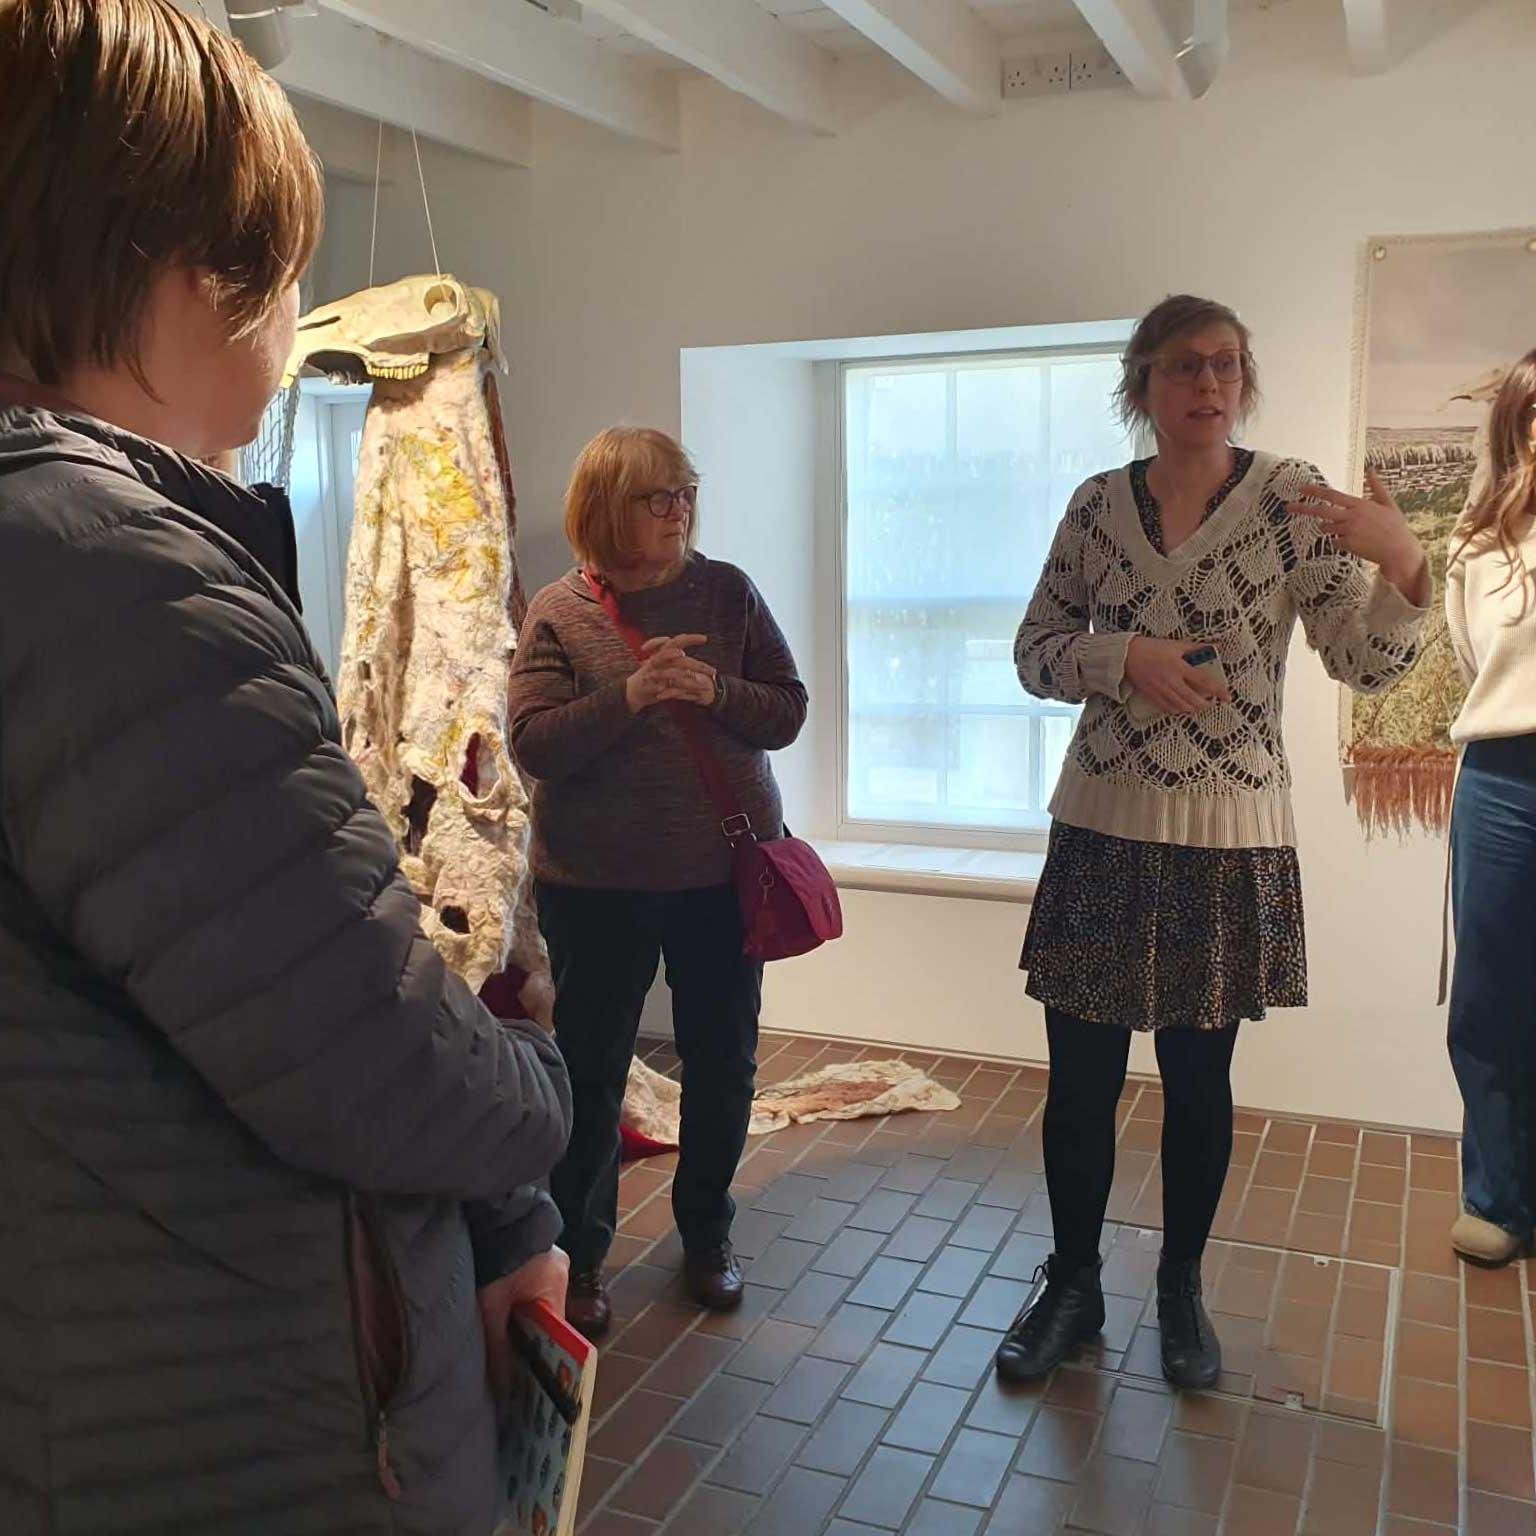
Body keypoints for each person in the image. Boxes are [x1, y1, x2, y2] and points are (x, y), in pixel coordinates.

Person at [0, 5, 571, 1533]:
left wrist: (498, 1201)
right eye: (280, 272)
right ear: (190, 267)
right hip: (234, 1435)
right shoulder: (109, 569)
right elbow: (367, 1055)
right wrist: (541, 1101)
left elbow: (255, 971)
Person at [1003, 294, 1431, 1389]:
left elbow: (1368, 667)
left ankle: (1181, 1287)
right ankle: (1074, 1284)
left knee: (1199, 1082)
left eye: (1228, 367)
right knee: (1081, 1081)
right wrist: (1122, 657)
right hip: (1101, 826)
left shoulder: (1292, 502)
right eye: (1187, 366)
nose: (1210, 385)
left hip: (1228, 839)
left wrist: (1407, 569)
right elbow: (1036, 650)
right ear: (1141, 385)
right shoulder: (1098, 507)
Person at [507, 426, 808, 1337]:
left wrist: (714, 692)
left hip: (722, 875)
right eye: (656, 497)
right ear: (605, 508)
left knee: (724, 1063)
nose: (679, 510)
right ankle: (583, 1258)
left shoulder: (728, 592)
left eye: (685, 492)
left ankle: (707, 1238)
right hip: (595, 886)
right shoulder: (560, 610)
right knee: (591, 1073)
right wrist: (630, 695)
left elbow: (787, 711)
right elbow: (533, 741)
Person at [1443, 349, 1536, 1267]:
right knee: (1491, 998)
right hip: (1505, 775)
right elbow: (1480, 665)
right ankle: (1500, 1201)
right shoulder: (1478, 541)